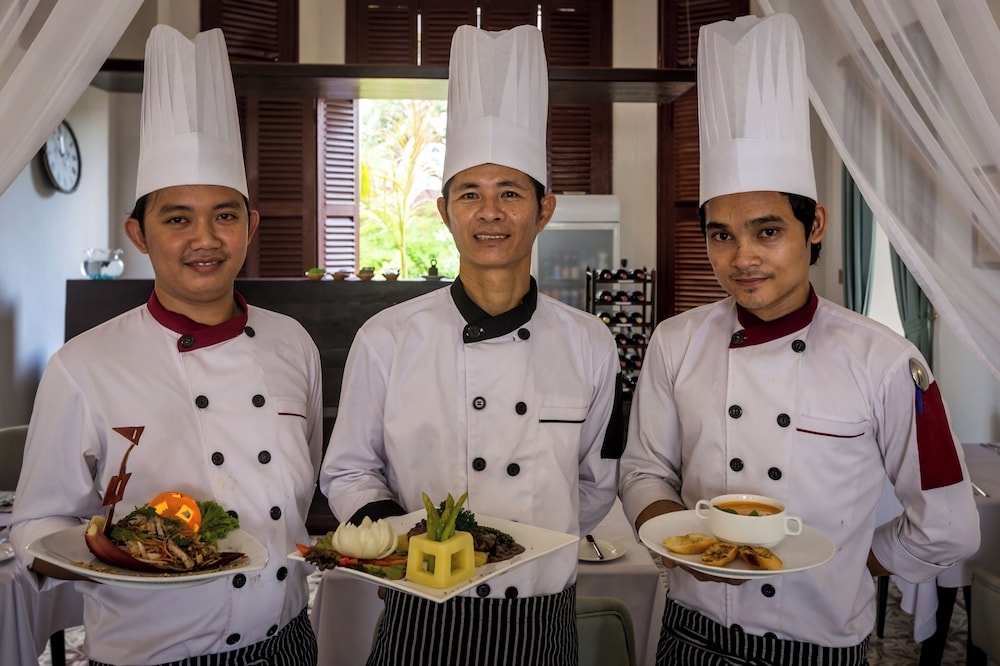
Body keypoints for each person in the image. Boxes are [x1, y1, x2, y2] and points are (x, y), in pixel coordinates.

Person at [618, 13, 980, 665]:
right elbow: (645, 471)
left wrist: (847, 563)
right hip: (689, 638)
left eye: (766, 231)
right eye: (720, 234)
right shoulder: (675, 342)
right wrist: (670, 536)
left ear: (815, 224)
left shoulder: (887, 360)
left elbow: (948, 524)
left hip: (817, 647)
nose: (742, 257)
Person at [10, 25, 322, 665]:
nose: (204, 237)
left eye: (225, 215)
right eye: (177, 218)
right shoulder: (83, 366)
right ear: (139, 234)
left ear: (250, 227)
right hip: (150, 655)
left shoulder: (294, 344)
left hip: (288, 643)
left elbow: (299, 491)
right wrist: (132, 557)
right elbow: (35, 527)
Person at [319, 24, 620, 666]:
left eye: (510, 193)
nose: (490, 213)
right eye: (470, 195)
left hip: (542, 620)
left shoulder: (590, 342)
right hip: (419, 611)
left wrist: (535, 551)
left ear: (544, 210)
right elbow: (348, 469)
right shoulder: (388, 339)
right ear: (444, 211)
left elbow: (596, 483)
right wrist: (401, 533)